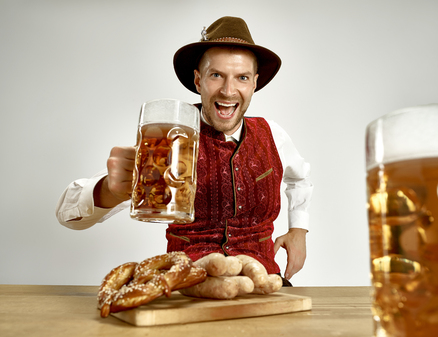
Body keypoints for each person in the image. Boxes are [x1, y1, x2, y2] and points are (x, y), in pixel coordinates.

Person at [56, 16, 313, 284]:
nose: (228, 90)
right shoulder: (170, 137)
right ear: (198, 80)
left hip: (263, 284)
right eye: (216, 75)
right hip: (188, 287)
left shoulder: (273, 135)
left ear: (254, 84)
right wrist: (109, 190)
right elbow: (67, 214)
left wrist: (299, 229)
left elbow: (300, 178)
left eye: (242, 77)